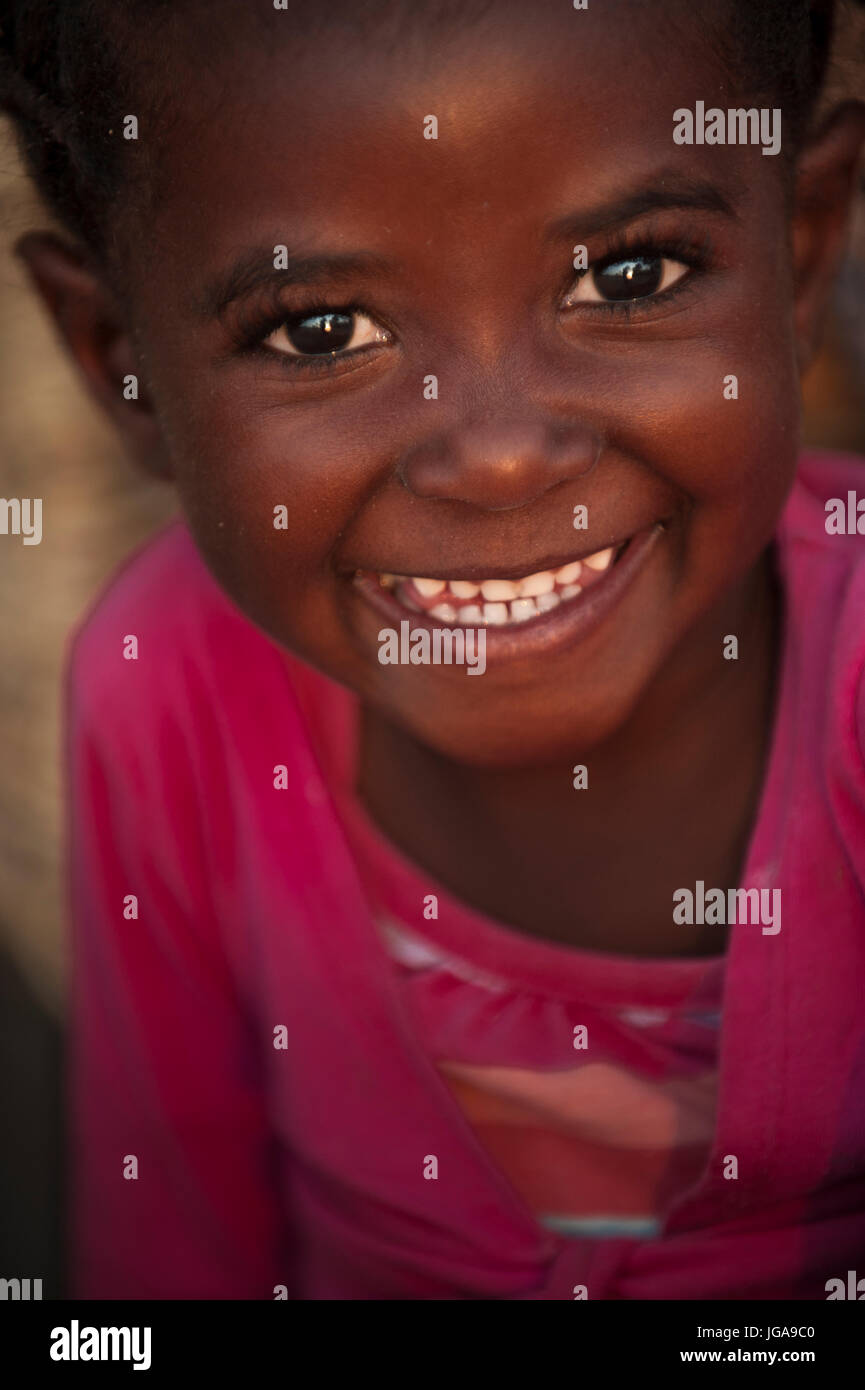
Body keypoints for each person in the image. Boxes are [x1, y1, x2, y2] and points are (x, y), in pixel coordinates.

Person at [2, 0, 864, 1299]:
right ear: (123, 370)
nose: (502, 451)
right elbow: (165, 1249)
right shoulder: (163, 679)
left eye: (627, 276)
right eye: (318, 329)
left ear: (800, 254)